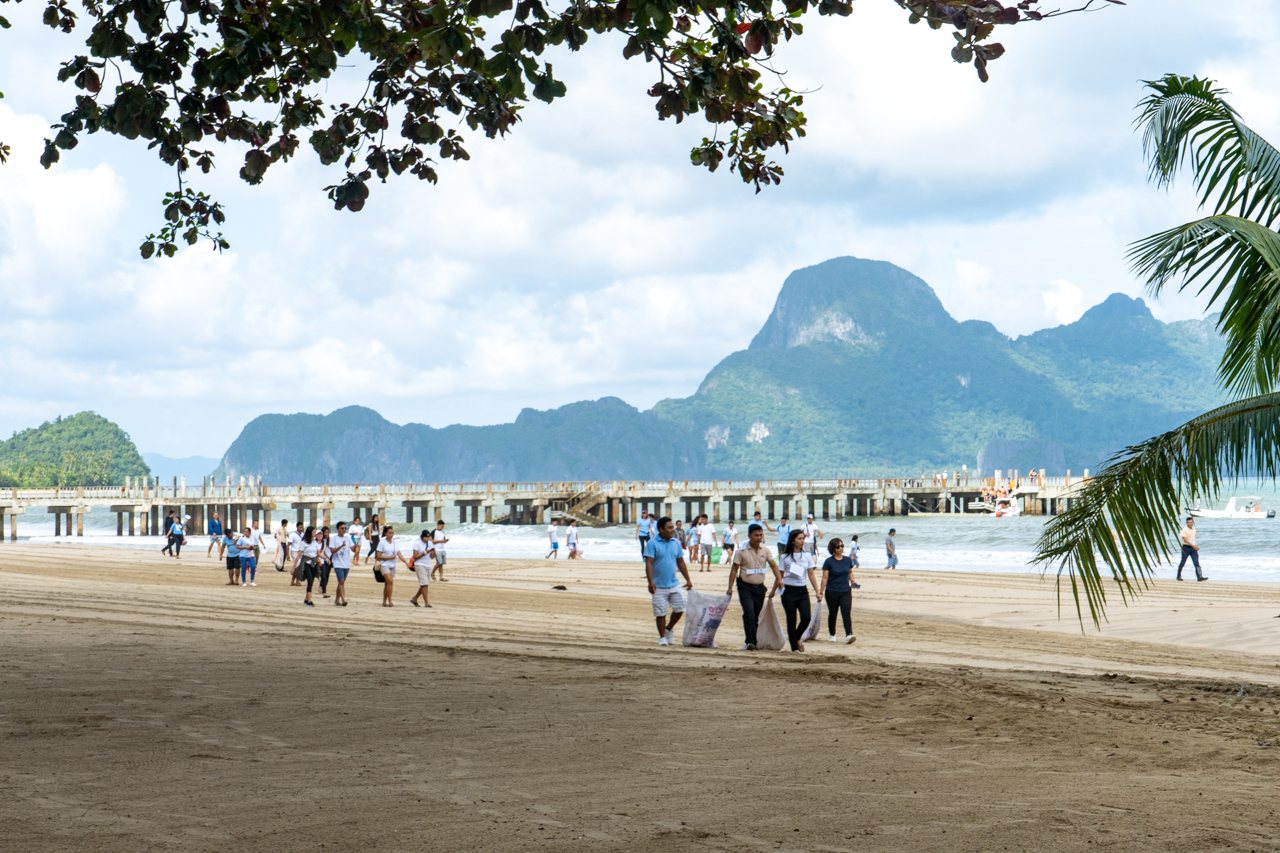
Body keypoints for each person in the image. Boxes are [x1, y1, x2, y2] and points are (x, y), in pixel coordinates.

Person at [726, 522, 782, 651]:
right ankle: (751, 642)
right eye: (756, 535)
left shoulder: (765, 550)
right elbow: (734, 569)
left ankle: (750, 641)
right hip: (745, 587)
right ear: (749, 535)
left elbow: (773, 565)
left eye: (761, 535)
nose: (759, 537)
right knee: (749, 613)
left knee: (755, 615)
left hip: (760, 588)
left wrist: (779, 579)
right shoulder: (741, 551)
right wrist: (730, 587)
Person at [644, 516, 693, 646]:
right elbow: (649, 563)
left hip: (674, 583)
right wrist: (650, 581)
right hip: (658, 585)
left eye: (673, 527)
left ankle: (668, 628)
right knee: (660, 612)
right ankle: (662, 638)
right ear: (661, 529)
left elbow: (681, 562)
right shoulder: (652, 543)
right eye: (670, 528)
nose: (673, 530)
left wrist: (688, 580)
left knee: (681, 607)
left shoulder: (676, 543)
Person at [772, 529, 820, 652]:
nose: (802, 541)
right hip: (788, 591)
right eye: (799, 538)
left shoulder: (807, 555)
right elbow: (780, 576)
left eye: (803, 538)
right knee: (791, 620)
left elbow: (811, 575)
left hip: (802, 591)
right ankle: (794, 648)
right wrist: (773, 591)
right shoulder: (785, 557)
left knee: (806, 618)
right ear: (793, 541)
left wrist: (817, 591)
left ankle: (797, 637)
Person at [819, 538, 857, 644]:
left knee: (846, 612)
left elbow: (850, 572)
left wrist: (853, 581)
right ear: (833, 549)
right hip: (832, 591)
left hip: (845, 591)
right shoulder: (828, 562)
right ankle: (832, 634)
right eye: (838, 547)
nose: (841, 548)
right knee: (833, 613)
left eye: (842, 546)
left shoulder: (848, 560)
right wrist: (821, 592)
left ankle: (849, 635)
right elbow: (824, 578)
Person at [375, 525, 405, 607]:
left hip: (392, 565)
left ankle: (385, 601)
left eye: (392, 533)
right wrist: (389, 557)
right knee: (390, 581)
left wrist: (406, 561)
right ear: (385, 533)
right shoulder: (382, 543)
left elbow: (399, 553)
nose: (391, 534)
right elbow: (378, 556)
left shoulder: (395, 543)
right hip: (383, 564)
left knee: (388, 583)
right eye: (389, 533)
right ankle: (390, 600)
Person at [293, 526, 321, 606]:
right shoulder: (304, 543)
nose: (315, 534)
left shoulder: (315, 542)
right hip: (306, 564)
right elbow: (299, 555)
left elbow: (318, 553)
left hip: (314, 563)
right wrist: (293, 567)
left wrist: (326, 558)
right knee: (310, 579)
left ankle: (306, 598)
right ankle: (309, 600)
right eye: (314, 532)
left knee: (312, 580)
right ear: (310, 533)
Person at [328, 520, 353, 606]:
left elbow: (352, 548)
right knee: (341, 580)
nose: (344, 530)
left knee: (341, 582)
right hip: (337, 563)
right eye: (342, 528)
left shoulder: (348, 538)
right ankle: (343, 599)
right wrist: (341, 546)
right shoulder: (333, 538)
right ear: (337, 529)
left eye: (345, 528)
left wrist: (356, 548)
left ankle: (336, 600)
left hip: (346, 563)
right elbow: (332, 550)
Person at [1177, 516, 1207, 581]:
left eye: (1191, 522)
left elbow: (1192, 539)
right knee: (1183, 561)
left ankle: (1199, 577)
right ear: (1186, 523)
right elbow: (1185, 539)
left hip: (1193, 548)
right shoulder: (1184, 529)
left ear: (1193, 522)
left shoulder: (1194, 529)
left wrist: (1194, 546)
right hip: (1186, 547)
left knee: (1196, 561)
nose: (1190, 524)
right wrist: (1194, 546)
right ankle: (1178, 576)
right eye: (1188, 522)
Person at [410, 529, 434, 607]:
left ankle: (415, 598)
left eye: (429, 537)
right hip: (419, 564)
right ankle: (426, 603)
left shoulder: (430, 543)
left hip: (428, 564)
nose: (428, 539)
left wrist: (433, 551)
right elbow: (415, 557)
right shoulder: (417, 544)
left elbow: (432, 557)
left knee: (425, 583)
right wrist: (424, 553)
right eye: (426, 537)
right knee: (424, 584)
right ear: (422, 537)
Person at [316, 524, 332, 597]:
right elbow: (319, 553)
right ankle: (321, 588)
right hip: (319, 561)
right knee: (322, 575)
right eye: (325, 532)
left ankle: (323, 589)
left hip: (326, 559)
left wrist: (328, 558)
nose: (326, 534)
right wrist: (325, 558)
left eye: (327, 532)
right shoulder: (315, 543)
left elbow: (325, 551)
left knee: (326, 575)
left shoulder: (325, 542)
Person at [288, 521, 305, 587]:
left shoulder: (303, 534)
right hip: (294, 551)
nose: (301, 528)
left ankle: (293, 581)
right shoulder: (293, 535)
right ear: (297, 527)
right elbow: (288, 544)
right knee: (298, 566)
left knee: (297, 567)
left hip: (301, 552)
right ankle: (297, 581)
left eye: (302, 527)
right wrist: (287, 554)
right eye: (300, 527)